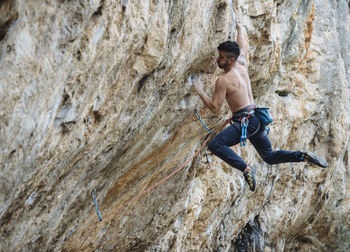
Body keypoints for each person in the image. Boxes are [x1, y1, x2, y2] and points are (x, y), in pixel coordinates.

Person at [193, 20, 328, 192]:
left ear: (231, 59)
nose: (217, 59)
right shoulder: (241, 64)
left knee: (215, 145)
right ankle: (301, 156)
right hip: (255, 119)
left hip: (245, 122)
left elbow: (214, 108)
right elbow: (242, 46)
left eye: (221, 57)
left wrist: (200, 90)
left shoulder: (224, 80)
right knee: (269, 157)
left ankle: (246, 169)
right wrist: (239, 28)